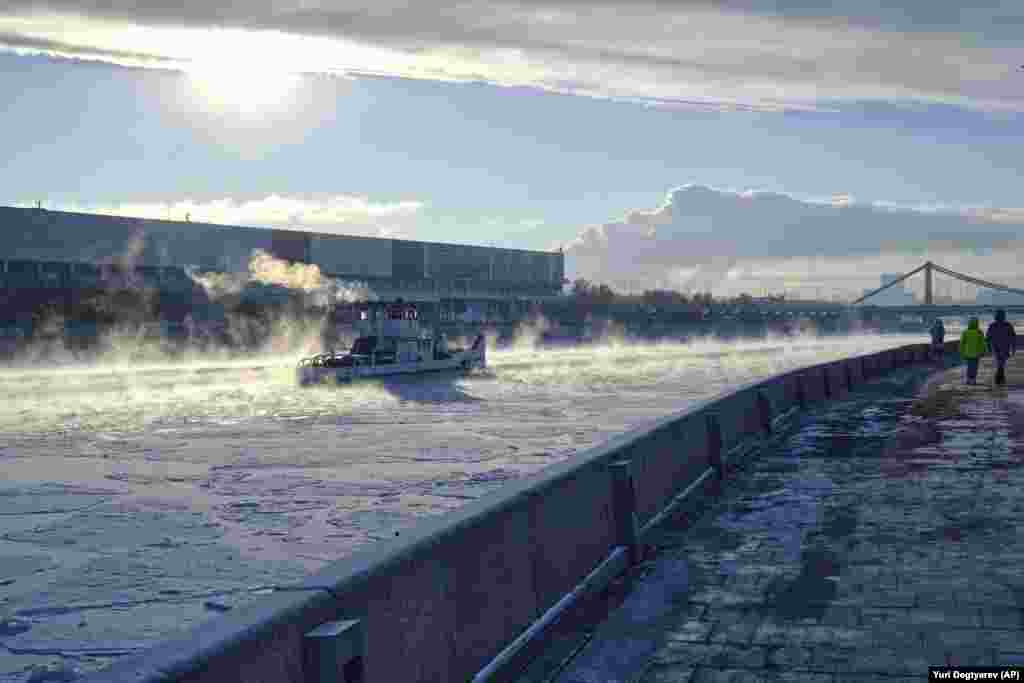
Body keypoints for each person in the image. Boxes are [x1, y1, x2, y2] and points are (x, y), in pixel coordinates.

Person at [986, 309, 1017, 386]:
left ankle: (999, 378)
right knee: (1001, 363)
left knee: (999, 363)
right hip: (1005, 347)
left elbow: (988, 338)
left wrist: (988, 348)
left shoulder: (992, 325)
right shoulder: (1008, 325)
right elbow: (1013, 337)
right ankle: (1000, 378)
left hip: (995, 347)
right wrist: (1013, 348)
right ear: (1003, 316)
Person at [959, 317, 988, 385]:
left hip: (967, 353)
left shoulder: (965, 332)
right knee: (975, 367)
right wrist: (984, 351)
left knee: (969, 367)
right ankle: (973, 379)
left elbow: (962, 343)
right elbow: (982, 343)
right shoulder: (979, 332)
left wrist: (961, 351)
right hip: (976, 354)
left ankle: (968, 379)